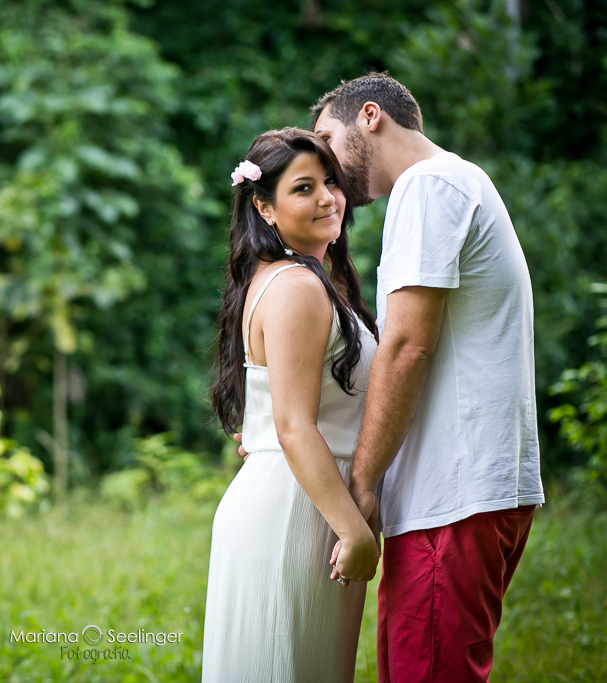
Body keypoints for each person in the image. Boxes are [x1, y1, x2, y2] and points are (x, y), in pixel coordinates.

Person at [240, 72, 545, 681]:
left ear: (371, 117)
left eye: (328, 136)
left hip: (451, 495)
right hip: (464, 494)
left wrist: (364, 482)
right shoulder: (458, 182)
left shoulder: (428, 187)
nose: (324, 156)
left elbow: (407, 347)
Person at [201, 127, 380, 682]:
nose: (327, 198)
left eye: (331, 182)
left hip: (302, 503)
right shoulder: (298, 288)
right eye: (303, 188)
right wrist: (354, 531)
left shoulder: (284, 279)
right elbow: (294, 427)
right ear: (265, 206)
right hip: (297, 515)